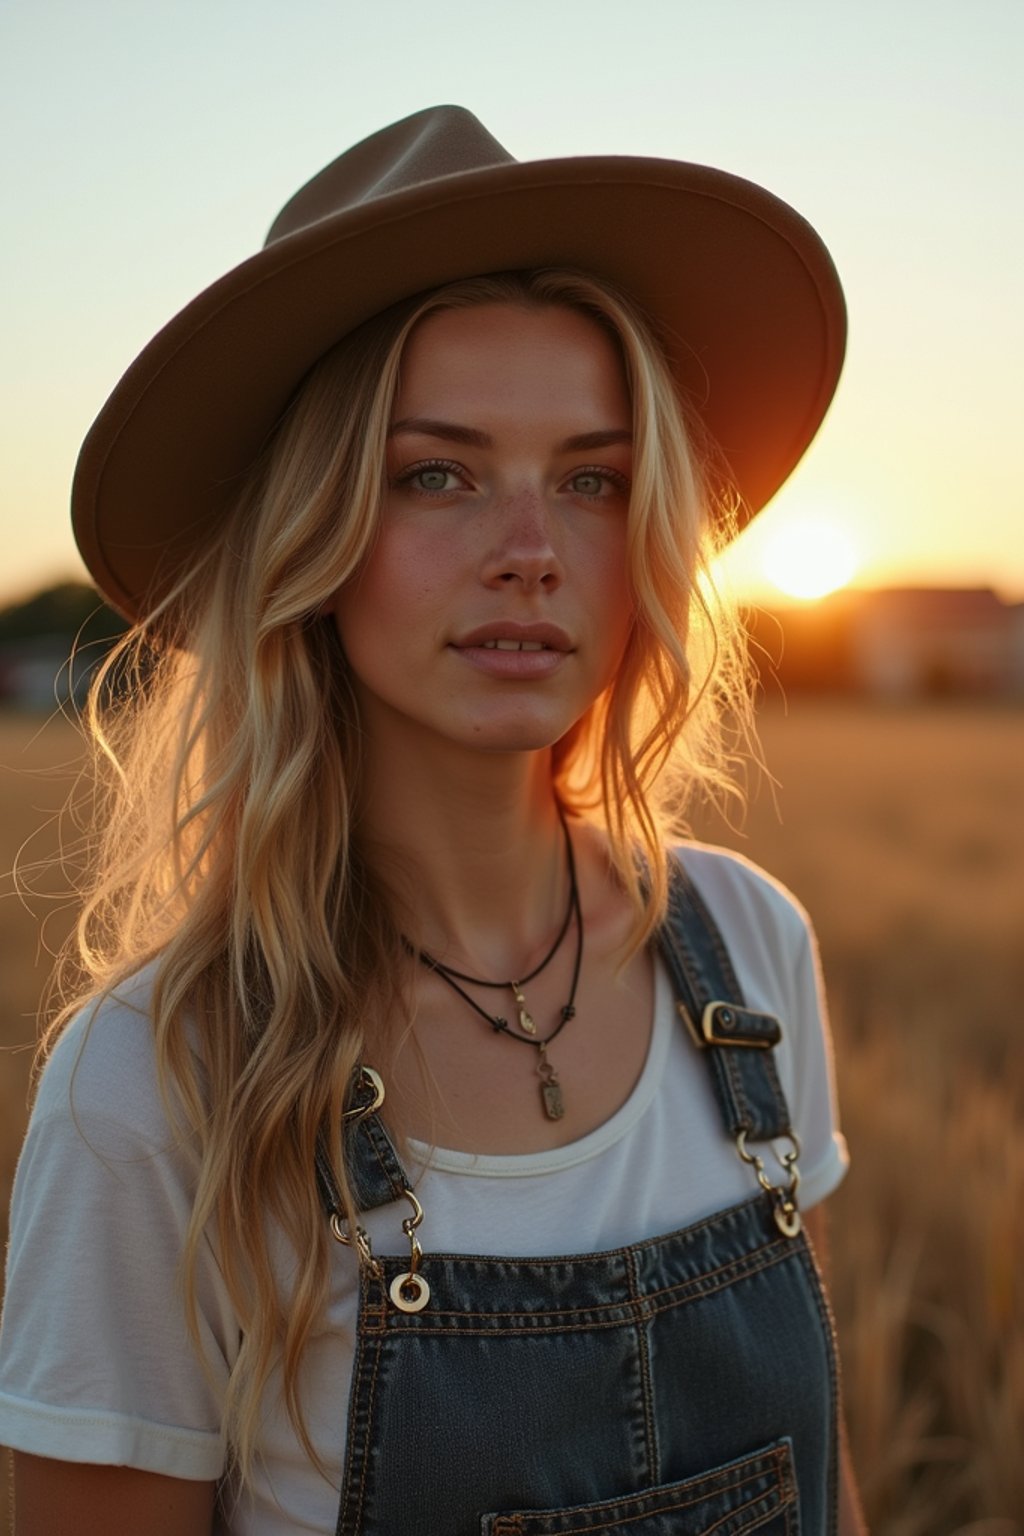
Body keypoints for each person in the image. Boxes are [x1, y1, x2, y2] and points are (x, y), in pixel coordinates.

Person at [0, 107, 865, 1534]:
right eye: (436, 474)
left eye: (591, 479)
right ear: (310, 539)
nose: (531, 554)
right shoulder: (157, 1090)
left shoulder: (749, 955)